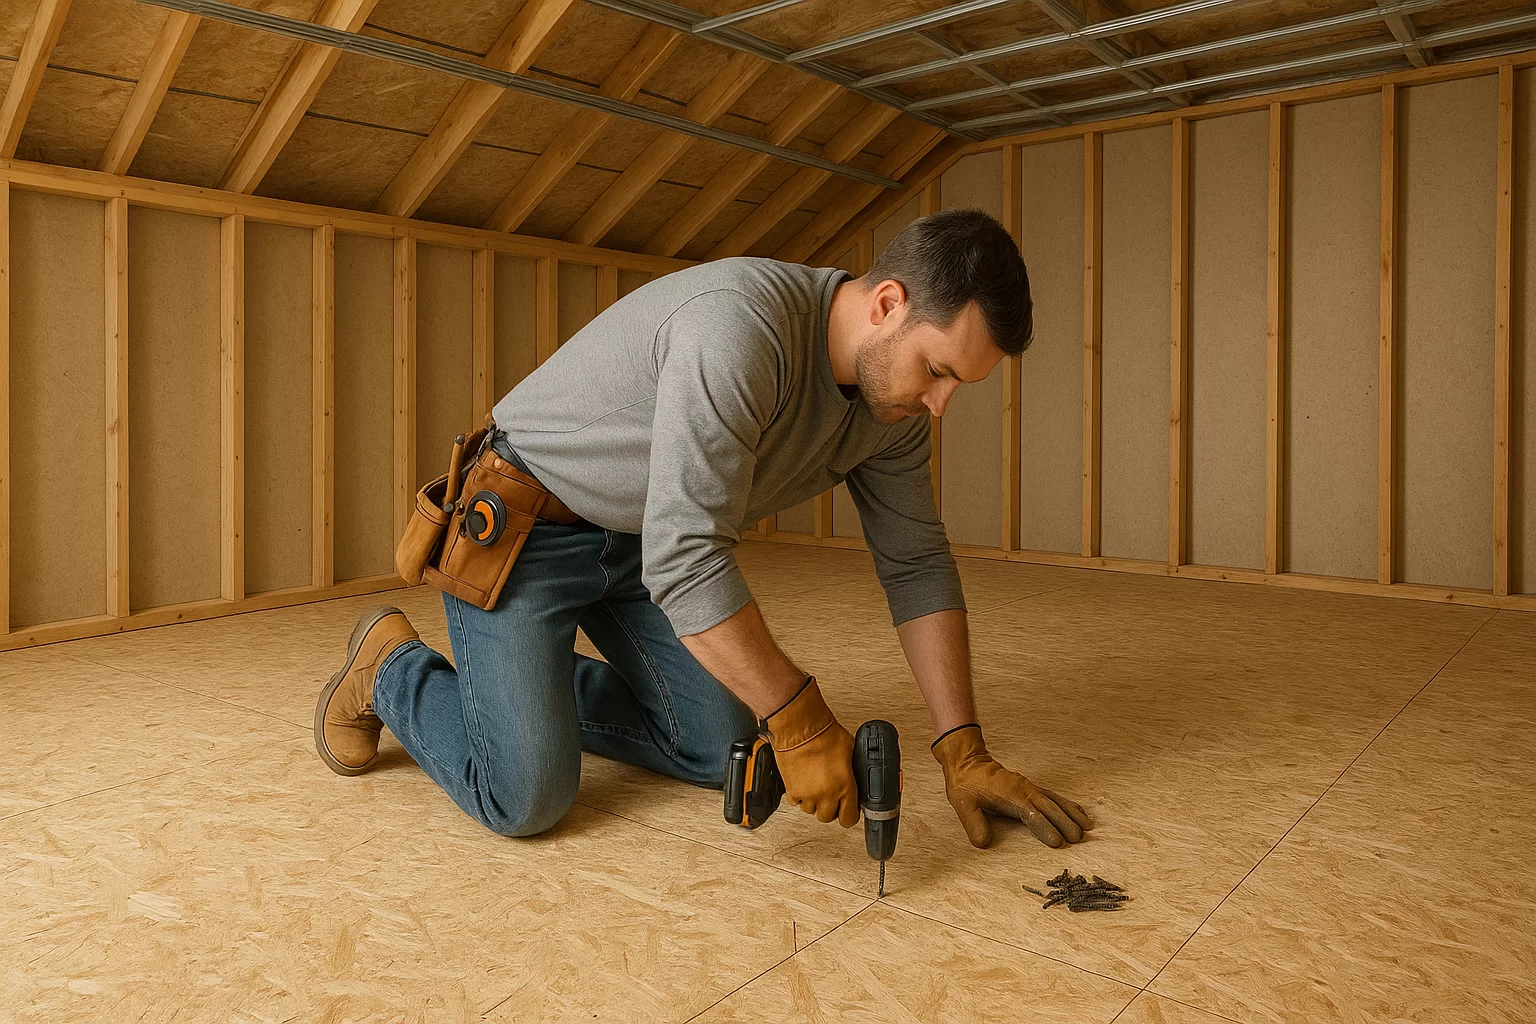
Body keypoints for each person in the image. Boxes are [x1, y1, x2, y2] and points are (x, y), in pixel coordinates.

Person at [313, 208, 1094, 851]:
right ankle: (390, 668)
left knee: (709, 742)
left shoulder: (893, 412)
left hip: (637, 540)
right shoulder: (740, 331)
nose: (941, 403)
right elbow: (691, 560)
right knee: (526, 796)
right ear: (888, 304)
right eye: (940, 370)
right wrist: (798, 716)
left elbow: (916, 561)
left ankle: (526, 697)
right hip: (526, 529)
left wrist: (963, 748)